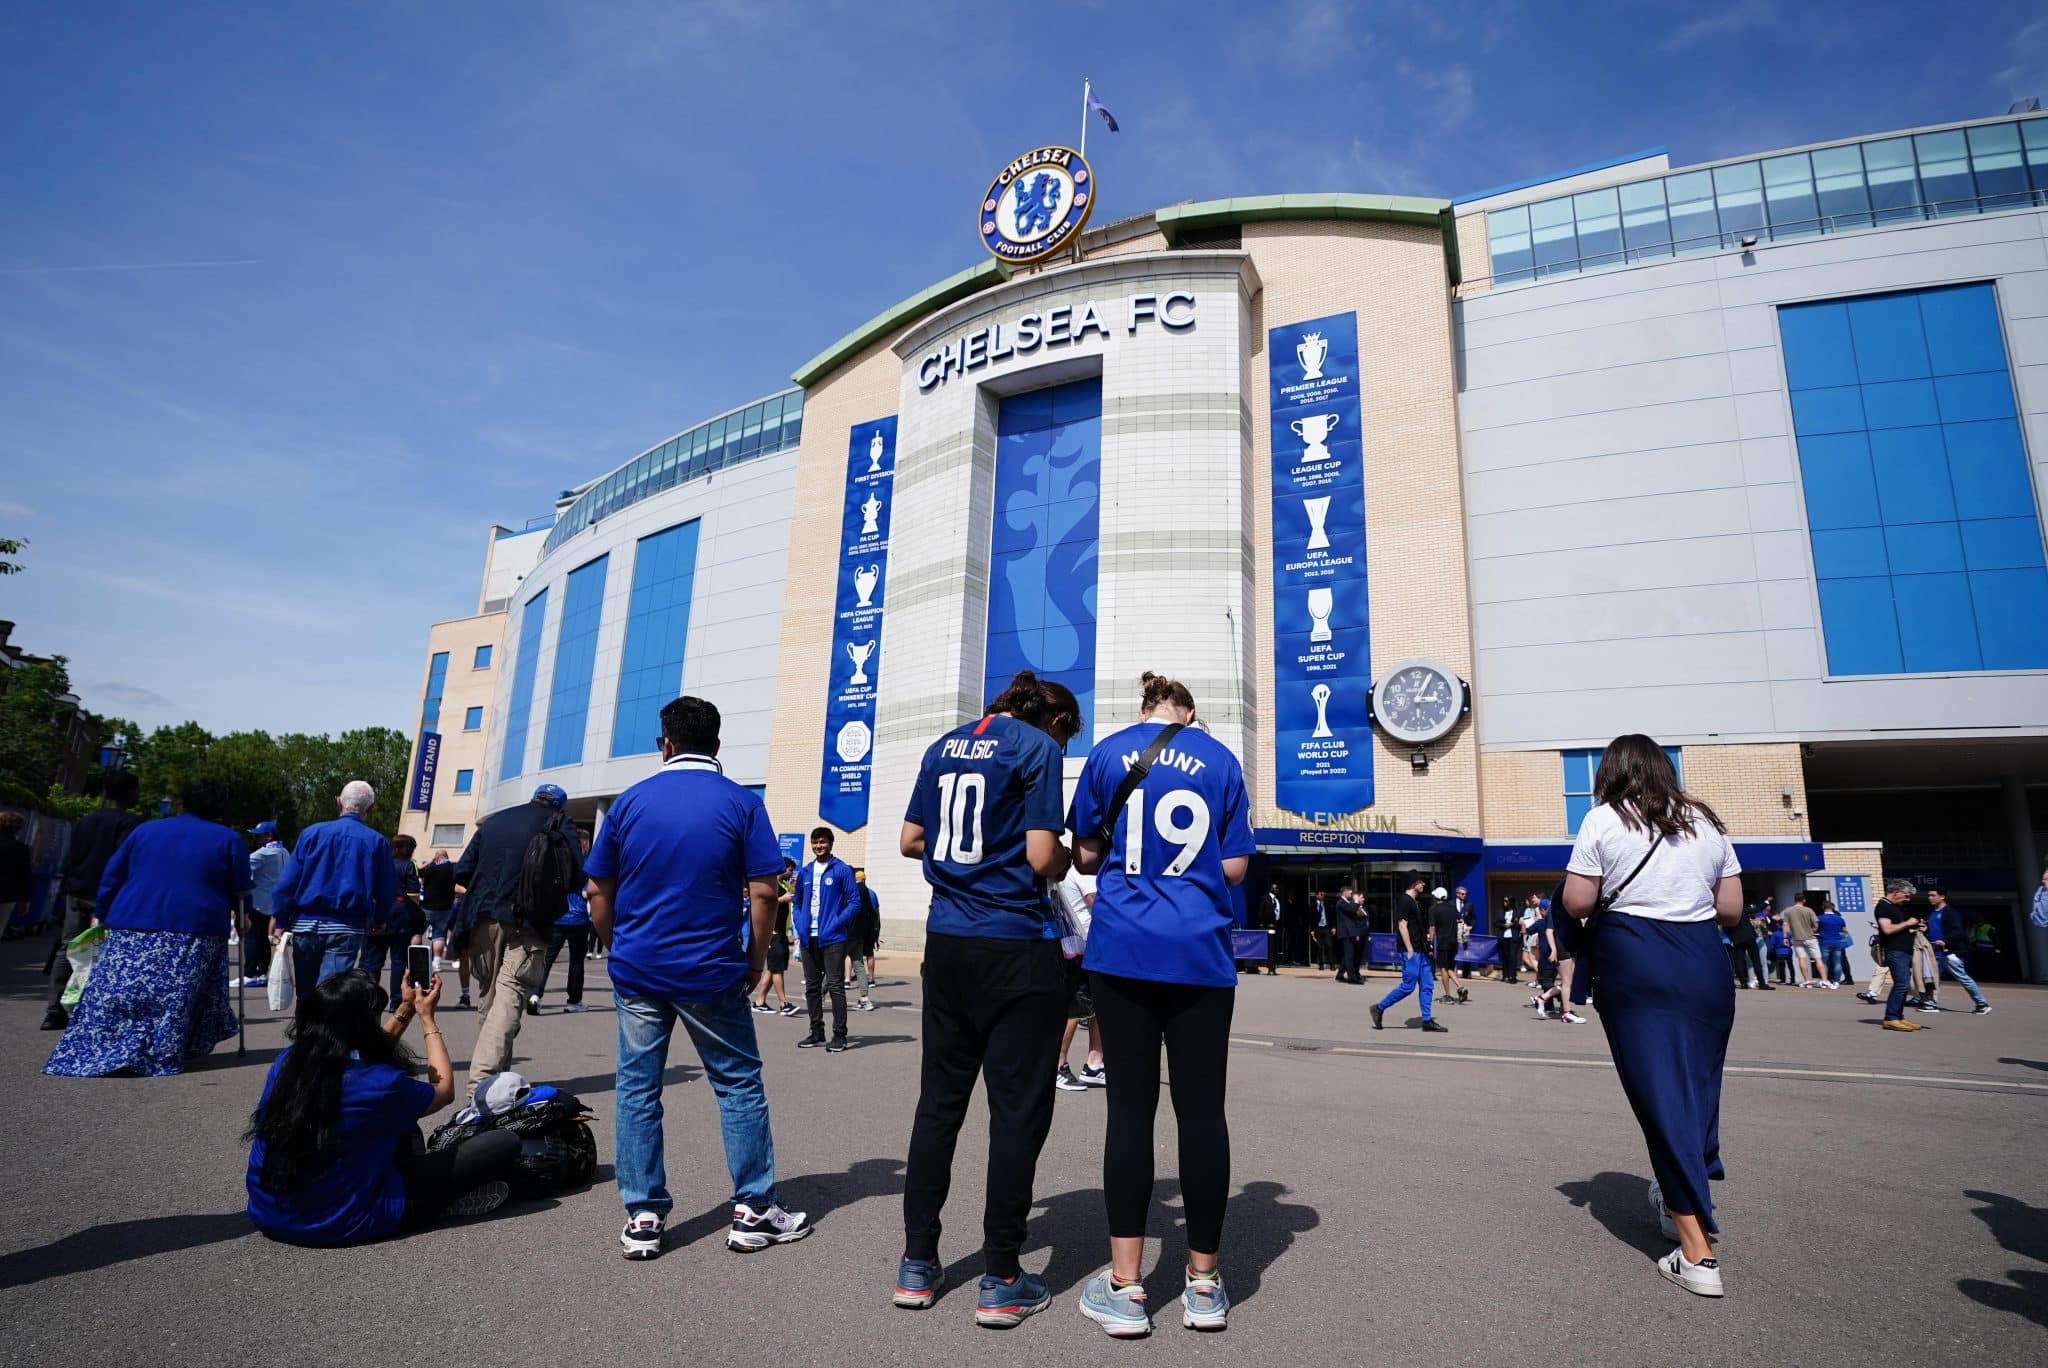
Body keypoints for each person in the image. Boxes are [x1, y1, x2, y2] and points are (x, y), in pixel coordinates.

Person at [584, 695, 811, 1259]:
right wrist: (755, 960)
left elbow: (597, 892)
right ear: (716, 744)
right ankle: (753, 1210)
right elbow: (765, 892)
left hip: (639, 969)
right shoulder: (742, 803)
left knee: (638, 1090)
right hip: (711, 969)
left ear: (665, 744)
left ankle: (643, 1216)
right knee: (737, 1085)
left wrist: (617, 947)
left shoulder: (630, 802)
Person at [1068, 673, 1253, 1337]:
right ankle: (1203, 1284)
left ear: (1143, 709)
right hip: (1200, 953)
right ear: (1189, 712)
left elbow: (1084, 856)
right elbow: (1234, 868)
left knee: (1130, 1113)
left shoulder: (1107, 753)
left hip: (1123, 950)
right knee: (1202, 1113)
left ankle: (1126, 1286)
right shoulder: (1220, 761)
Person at [894, 669, 1080, 1327]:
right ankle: (1000, 1275)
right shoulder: (1038, 749)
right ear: (1055, 722)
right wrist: (1065, 860)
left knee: (939, 1105)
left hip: (947, 940)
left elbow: (910, 840)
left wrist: (967, 859)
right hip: (1015, 944)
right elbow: (1041, 856)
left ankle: (918, 1262)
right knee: (1017, 1111)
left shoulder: (942, 745)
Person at [1560, 735, 1743, 1298]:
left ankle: (1697, 1254)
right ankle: (1677, 1196)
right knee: (1697, 1087)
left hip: (1636, 957)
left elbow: (1577, 902)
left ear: (1611, 772)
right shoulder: (1705, 821)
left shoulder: (1603, 819)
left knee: (1659, 1095)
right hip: (1703, 962)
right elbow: (1731, 909)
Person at [245, 968, 518, 1243]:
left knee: (400, 1122)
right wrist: (427, 1019)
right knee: (503, 1143)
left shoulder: (288, 1062)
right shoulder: (378, 1084)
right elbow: (444, 1091)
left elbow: (367, 1048)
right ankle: (444, 1202)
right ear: (362, 1027)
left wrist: (407, 1007)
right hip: (345, 1221)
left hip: (270, 1214)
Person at [44, 779, 253, 1078]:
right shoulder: (228, 839)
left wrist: (102, 912)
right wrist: (243, 916)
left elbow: (113, 874)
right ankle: (159, 1050)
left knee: (118, 989)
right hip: (194, 924)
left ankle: (101, 1048)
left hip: (132, 918)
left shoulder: (145, 830)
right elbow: (240, 887)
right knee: (173, 996)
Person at [451, 782, 582, 1099]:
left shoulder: (496, 820)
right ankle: (482, 1086)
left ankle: (497, 1078)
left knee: (490, 997)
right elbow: (576, 875)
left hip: (483, 918)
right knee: (509, 998)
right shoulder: (560, 822)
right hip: (528, 922)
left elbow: (463, 870)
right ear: (560, 806)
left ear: (533, 798)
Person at [271, 781, 397, 990]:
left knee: (306, 991)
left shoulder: (311, 833)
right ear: (371, 808)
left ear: (339, 802)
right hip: (347, 925)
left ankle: (306, 1012)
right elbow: (386, 888)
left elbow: (287, 883)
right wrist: (380, 918)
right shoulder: (376, 841)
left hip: (306, 923)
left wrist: (281, 918)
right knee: (331, 993)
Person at [44, 770, 144, 1029]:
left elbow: (71, 857)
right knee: (108, 950)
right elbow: (124, 862)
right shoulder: (130, 824)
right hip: (111, 895)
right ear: (130, 792)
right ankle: (96, 1009)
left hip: (77, 889)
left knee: (69, 947)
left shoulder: (84, 821)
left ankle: (54, 1009)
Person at [791, 827, 856, 1051]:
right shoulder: (806, 872)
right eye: (815, 842)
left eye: (823, 842)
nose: (819, 846)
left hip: (833, 938)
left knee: (836, 986)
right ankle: (816, 1032)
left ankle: (839, 1035)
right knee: (812, 987)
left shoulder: (841, 870)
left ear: (831, 843)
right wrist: (800, 924)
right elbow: (797, 902)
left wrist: (837, 922)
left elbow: (854, 902)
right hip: (808, 937)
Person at [1052, 870, 1104, 1092]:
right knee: (1075, 1009)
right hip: (1083, 945)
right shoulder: (1086, 872)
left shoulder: (1073, 870)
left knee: (1097, 1005)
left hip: (1084, 945)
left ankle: (1094, 1064)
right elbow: (1097, 903)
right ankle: (1058, 1065)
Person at [532, 827, 594, 1014]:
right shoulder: (586, 865)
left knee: (547, 959)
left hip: (557, 917)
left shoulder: (557, 862)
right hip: (578, 918)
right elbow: (587, 892)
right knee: (576, 962)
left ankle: (535, 995)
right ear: (585, 844)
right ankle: (573, 1001)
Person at [1370, 875, 1442, 1032]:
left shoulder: (1415, 902)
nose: (1423, 884)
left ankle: (1427, 1020)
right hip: (1411, 950)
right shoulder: (1404, 900)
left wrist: (1428, 948)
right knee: (1408, 986)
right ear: (1413, 883)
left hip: (1421, 950)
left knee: (1427, 985)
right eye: (1421, 881)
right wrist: (1409, 948)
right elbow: (1402, 926)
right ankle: (1379, 1008)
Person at [359, 833, 422, 1004]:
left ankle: (368, 999)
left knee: (371, 961)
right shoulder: (409, 866)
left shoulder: (378, 863)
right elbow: (414, 895)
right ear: (410, 849)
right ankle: (396, 1001)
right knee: (399, 961)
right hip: (401, 917)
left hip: (376, 914)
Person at [1868, 879, 1930, 1031]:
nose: (1908, 899)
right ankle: (1891, 1018)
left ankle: (1899, 1017)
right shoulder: (1883, 907)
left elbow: (1900, 928)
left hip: (1903, 950)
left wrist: (1916, 926)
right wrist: (1908, 923)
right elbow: (1887, 929)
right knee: (1901, 985)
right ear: (1896, 892)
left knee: (1903, 985)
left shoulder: (1896, 907)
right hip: (1895, 951)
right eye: (1906, 896)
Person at [236, 820, 288, 990]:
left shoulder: (264, 853)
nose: (257, 839)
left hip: (258, 902)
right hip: (273, 903)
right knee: (265, 939)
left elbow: (241, 867)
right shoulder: (284, 852)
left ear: (269, 836)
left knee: (251, 938)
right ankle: (263, 972)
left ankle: (250, 973)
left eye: (259, 836)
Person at [1922, 888, 1991, 1014]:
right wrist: (1925, 929)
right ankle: (1931, 1004)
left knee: (1963, 978)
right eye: (1929, 895)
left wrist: (1945, 940)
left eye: (1933, 895)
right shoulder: (1932, 914)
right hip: (1935, 952)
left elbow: (1958, 931)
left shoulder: (1951, 912)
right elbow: (1935, 930)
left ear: (1942, 897)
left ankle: (1982, 1004)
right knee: (1933, 979)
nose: (1930, 898)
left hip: (1949, 952)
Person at [751, 858, 799, 1017]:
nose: (791, 873)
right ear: (782, 868)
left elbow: (794, 894)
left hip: (781, 933)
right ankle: (784, 1003)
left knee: (773, 969)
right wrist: (782, 900)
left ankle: (759, 1001)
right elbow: (763, 904)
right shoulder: (771, 886)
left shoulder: (784, 885)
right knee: (777, 969)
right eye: (790, 870)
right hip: (772, 933)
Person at [847, 867, 881, 1011]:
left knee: (834, 964)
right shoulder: (869, 892)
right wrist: (874, 934)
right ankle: (865, 998)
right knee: (860, 965)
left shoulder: (849, 890)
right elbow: (874, 913)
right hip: (862, 934)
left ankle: (820, 995)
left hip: (847, 934)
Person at [1781, 893, 1831, 989]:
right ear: (1804, 900)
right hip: (1810, 937)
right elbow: (1816, 925)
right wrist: (1811, 930)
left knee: (1801, 958)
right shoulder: (1809, 910)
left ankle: (1807, 981)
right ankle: (1824, 980)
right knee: (1818, 959)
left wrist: (1785, 938)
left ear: (1795, 900)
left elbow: (1785, 924)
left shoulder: (1788, 911)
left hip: (1796, 938)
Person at [1429, 886, 1468, 1004]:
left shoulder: (1434, 909)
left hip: (1442, 942)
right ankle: (1460, 987)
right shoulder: (1452, 908)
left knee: (1443, 968)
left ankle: (1447, 995)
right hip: (1453, 941)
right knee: (1450, 967)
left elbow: (1432, 927)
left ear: (1436, 897)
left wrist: (1430, 943)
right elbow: (1461, 922)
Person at [1330, 882, 1368, 984]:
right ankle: (1352, 977)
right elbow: (1352, 909)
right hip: (1346, 933)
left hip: (1350, 932)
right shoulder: (1341, 903)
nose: (1351, 895)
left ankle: (1340, 974)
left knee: (1348, 955)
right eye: (1350, 893)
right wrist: (1356, 901)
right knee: (1349, 956)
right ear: (1345, 892)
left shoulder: (1346, 903)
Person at [1495, 894, 1521, 985]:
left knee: (1512, 956)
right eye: (1504, 901)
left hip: (1513, 937)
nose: (1504, 903)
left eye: (1506, 901)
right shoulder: (1500, 911)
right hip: (1503, 936)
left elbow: (1520, 924)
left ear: (1511, 902)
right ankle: (1505, 975)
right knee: (1505, 956)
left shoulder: (1517, 912)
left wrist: (1512, 924)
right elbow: (1496, 923)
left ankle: (1512, 976)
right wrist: (1503, 925)